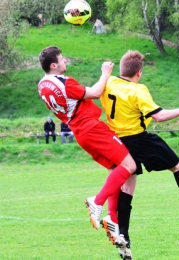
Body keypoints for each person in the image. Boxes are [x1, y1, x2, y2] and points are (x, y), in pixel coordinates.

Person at [100, 50, 179, 259]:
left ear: (122, 68)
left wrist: (104, 74)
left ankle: (123, 235)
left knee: (128, 186)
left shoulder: (108, 83)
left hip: (118, 143)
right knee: (178, 166)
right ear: (139, 72)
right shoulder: (138, 90)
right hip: (139, 139)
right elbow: (160, 116)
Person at [38, 46, 136, 233]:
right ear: (53, 65)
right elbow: (95, 93)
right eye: (61, 59)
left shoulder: (42, 85)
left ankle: (112, 218)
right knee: (130, 166)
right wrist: (105, 73)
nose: (64, 61)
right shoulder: (64, 83)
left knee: (117, 170)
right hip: (91, 127)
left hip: (80, 132)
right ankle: (97, 201)